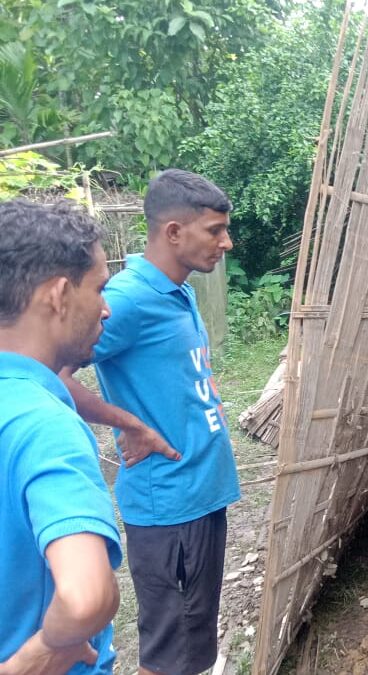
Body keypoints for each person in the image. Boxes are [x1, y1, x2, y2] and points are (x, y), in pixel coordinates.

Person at [62, 169, 239, 675]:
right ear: (174, 233)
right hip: (170, 506)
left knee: (191, 644)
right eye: (214, 230)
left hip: (199, 494)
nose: (226, 242)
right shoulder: (132, 297)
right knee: (170, 656)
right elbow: (52, 371)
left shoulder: (176, 290)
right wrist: (128, 423)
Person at [0, 200, 122, 675]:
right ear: (58, 295)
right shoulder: (42, 423)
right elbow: (86, 595)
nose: (106, 309)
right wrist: (38, 657)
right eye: (99, 288)